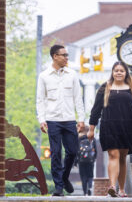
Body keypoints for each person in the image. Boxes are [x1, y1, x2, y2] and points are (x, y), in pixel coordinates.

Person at [88, 61, 132, 198]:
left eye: (122, 70)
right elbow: (96, 109)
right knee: (113, 155)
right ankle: (112, 186)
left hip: (128, 127)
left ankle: (121, 189)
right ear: (112, 72)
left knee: (122, 157)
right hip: (109, 126)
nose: (119, 73)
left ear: (126, 72)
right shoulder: (105, 88)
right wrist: (91, 128)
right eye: (116, 70)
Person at [36, 44, 85, 196]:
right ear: (55, 56)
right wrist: (42, 119)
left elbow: (78, 98)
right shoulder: (44, 76)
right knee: (56, 153)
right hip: (52, 120)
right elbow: (40, 99)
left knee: (72, 152)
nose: (66, 58)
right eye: (64, 55)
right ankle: (58, 187)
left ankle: (64, 177)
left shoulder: (72, 74)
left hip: (69, 120)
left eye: (67, 55)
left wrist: (81, 119)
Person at [75, 126, 97, 196]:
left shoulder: (78, 139)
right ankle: (90, 188)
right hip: (90, 161)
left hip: (81, 161)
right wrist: (93, 159)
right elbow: (95, 151)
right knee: (90, 176)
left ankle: (85, 193)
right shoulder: (92, 139)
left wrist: (75, 161)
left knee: (83, 177)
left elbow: (76, 151)